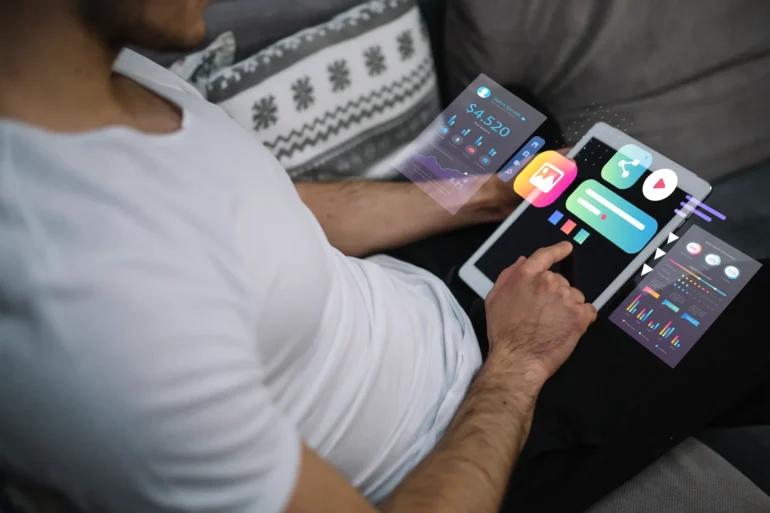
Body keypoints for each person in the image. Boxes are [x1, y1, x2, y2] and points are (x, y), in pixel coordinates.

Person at [0, 1, 597, 513]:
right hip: (445, 446)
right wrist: (519, 363)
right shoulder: (87, 324)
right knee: (688, 297)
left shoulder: (99, 71)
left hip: (407, 295)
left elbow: (267, 208)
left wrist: (477, 198)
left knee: (523, 114)